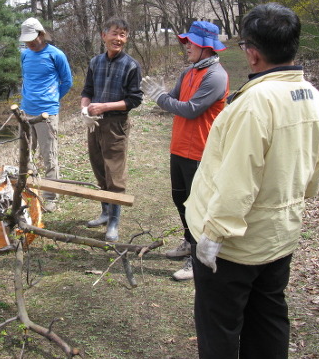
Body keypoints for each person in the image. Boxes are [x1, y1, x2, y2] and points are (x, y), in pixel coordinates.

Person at [186, 3, 319, 359]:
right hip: (280, 236)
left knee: (220, 331)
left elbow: (237, 181)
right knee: (268, 322)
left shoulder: (255, 103)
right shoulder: (313, 97)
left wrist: (212, 236)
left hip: (235, 246)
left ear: (252, 52)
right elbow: (313, 172)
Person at [142, 21, 229, 281]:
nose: (187, 46)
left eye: (191, 42)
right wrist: (161, 97)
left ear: (205, 46)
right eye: (187, 41)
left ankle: (197, 259)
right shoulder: (189, 72)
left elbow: (190, 109)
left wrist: (161, 98)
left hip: (201, 151)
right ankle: (189, 243)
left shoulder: (216, 76)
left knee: (197, 207)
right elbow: (172, 102)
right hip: (179, 147)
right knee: (179, 199)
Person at [81, 17, 143, 242]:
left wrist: (105, 106)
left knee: (114, 173)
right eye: (115, 33)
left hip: (116, 125)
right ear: (103, 35)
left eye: (123, 35)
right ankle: (105, 212)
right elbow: (87, 90)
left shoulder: (131, 65)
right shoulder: (95, 62)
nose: (118, 39)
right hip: (94, 124)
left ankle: (115, 221)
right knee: (99, 168)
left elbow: (135, 100)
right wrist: (84, 110)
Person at [19, 17, 73, 212]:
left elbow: (67, 81)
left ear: (41, 35)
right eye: (26, 41)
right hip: (25, 112)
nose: (30, 43)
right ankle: (28, 191)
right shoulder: (24, 55)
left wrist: (51, 100)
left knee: (48, 155)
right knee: (26, 154)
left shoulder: (56, 55)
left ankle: (52, 197)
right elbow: (26, 79)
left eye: (33, 39)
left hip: (46, 113)